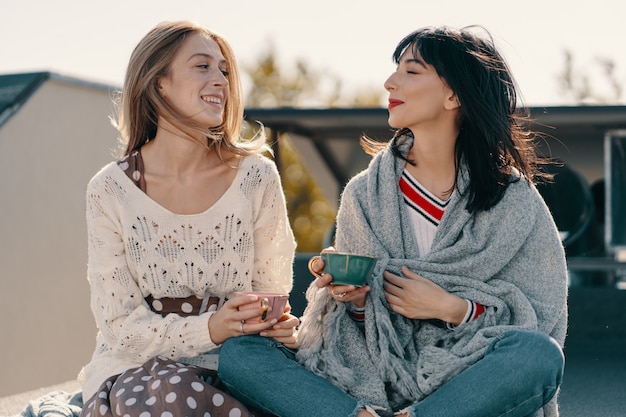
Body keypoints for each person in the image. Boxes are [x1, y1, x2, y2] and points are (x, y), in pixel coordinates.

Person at [218, 25, 567, 417]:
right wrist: (356, 299)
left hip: (467, 378)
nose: (389, 82)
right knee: (240, 354)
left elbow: (539, 314)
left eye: (411, 71)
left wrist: (454, 308)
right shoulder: (365, 194)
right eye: (394, 70)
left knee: (538, 356)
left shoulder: (514, 200)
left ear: (454, 95)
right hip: (374, 383)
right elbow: (355, 335)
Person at [77, 20, 298, 417]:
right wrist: (211, 328)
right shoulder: (109, 190)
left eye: (225, 71)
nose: (221, 82)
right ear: (159, 82)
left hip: (240, 364)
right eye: (202, 67)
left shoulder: (256, 177)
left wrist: (277, 326)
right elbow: (119, 326)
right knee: (169, 390)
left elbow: (271, 292)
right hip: (137, 373)